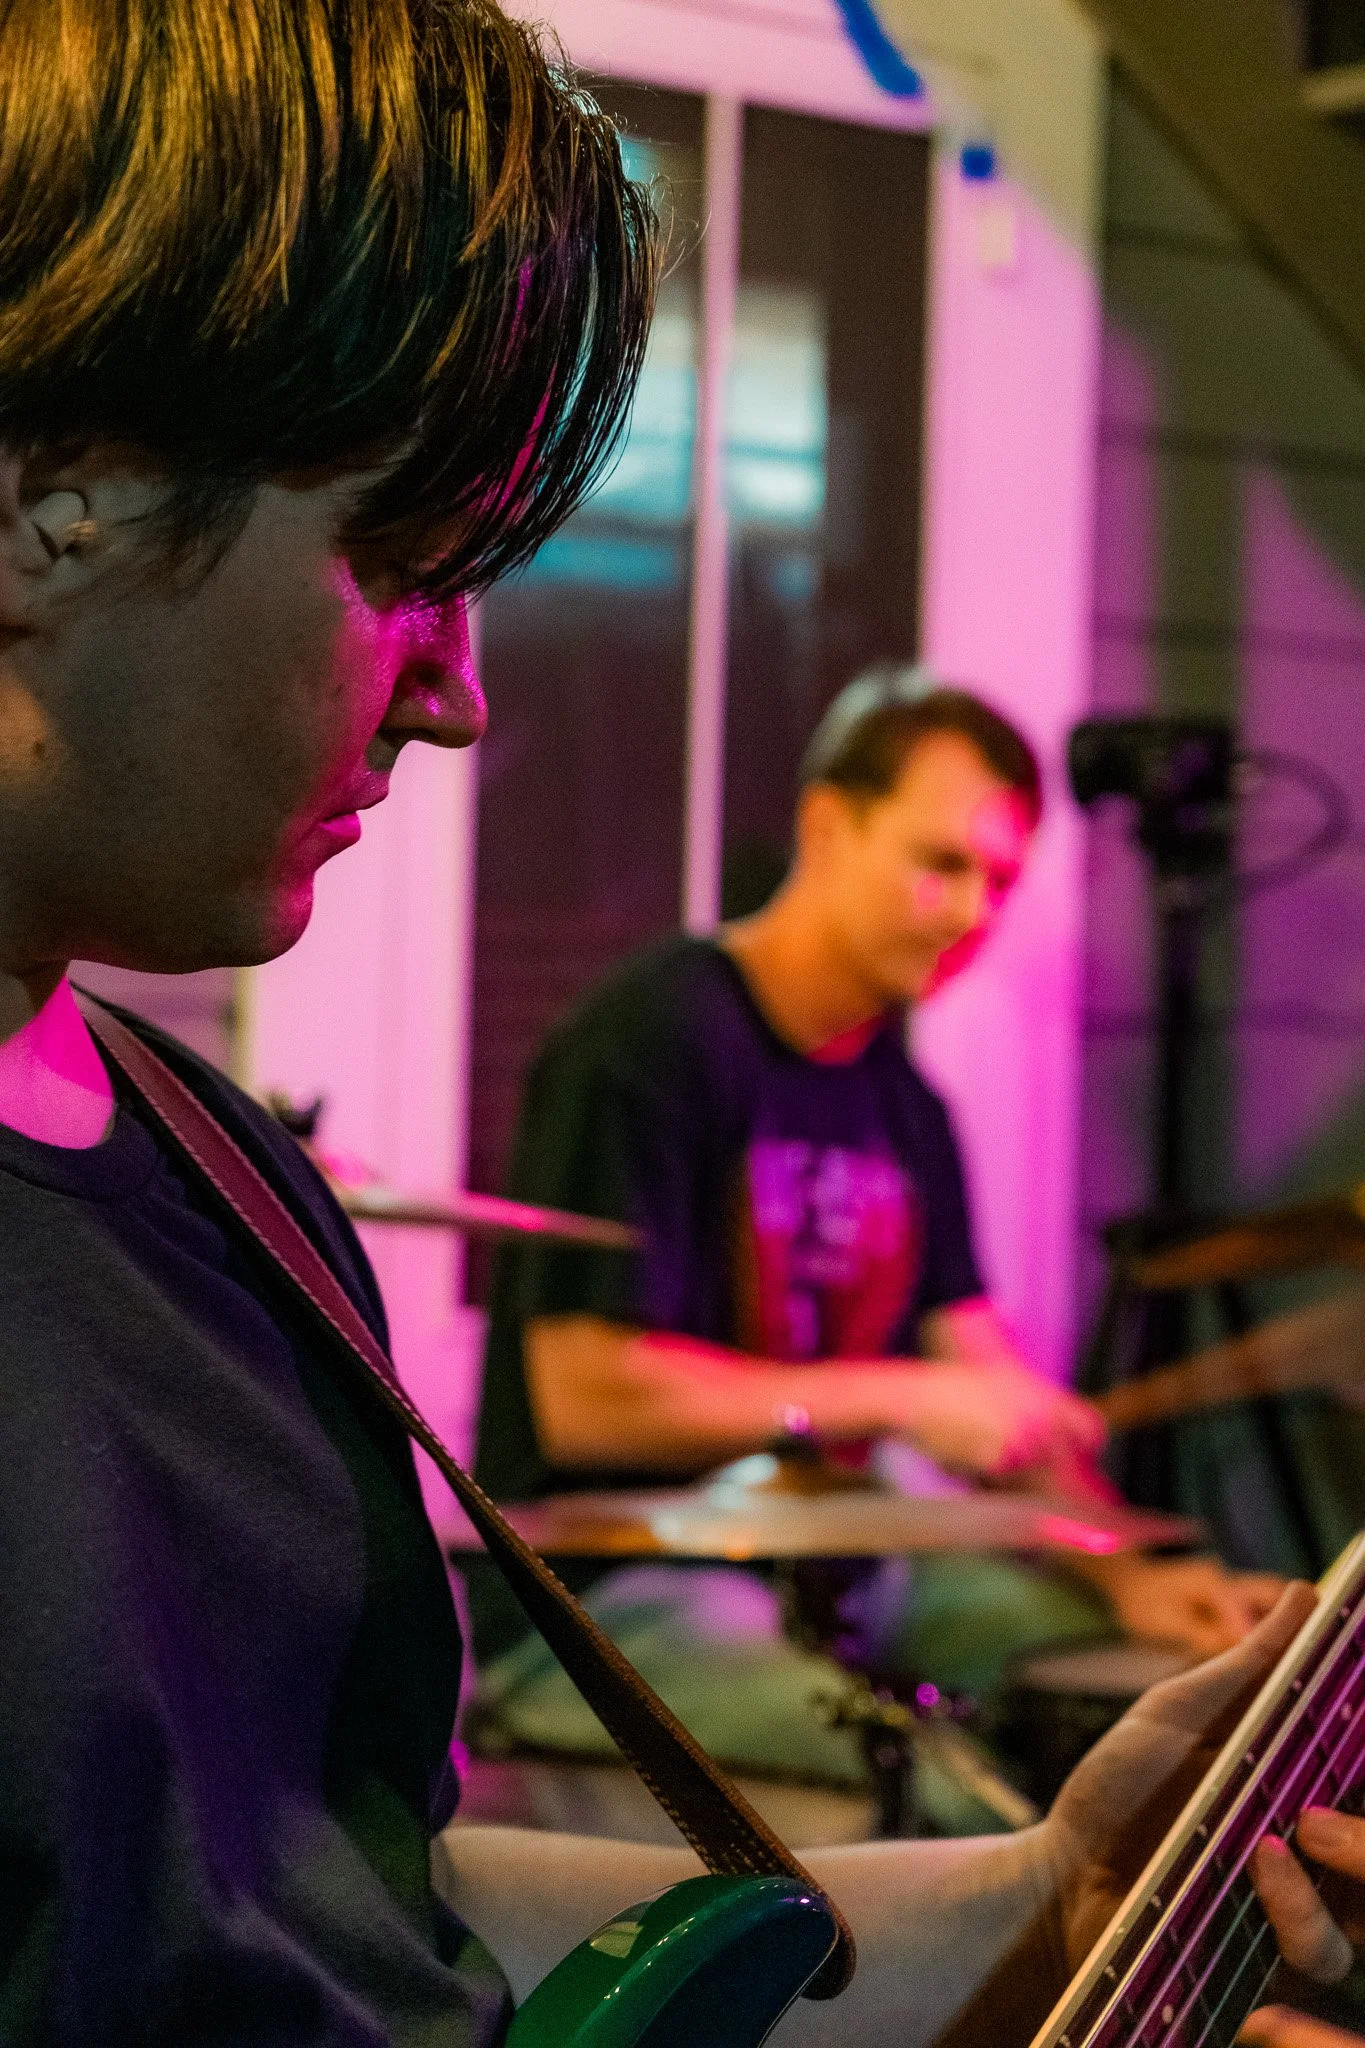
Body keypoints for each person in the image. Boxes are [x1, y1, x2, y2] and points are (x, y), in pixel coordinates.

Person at [0, 3, 1360, 2043]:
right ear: (54, 498)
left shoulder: (235, 1196)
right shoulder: (658, 1033)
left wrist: (1048, 1896)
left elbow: (370, 1927)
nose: (455, 693)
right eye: (409, 557)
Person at [470, 673, 1283, 1815]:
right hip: (612, 1594)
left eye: (999, 880)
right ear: (826, 825)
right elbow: (588, 1397)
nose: (970, 912)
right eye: (939, 862)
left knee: (1120, 1715)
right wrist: (901, 1394)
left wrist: (1130, 1571)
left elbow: (979, 1373)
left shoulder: (907, 1105)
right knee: (931, 1792)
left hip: (844, 1575)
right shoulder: (646, 1043)